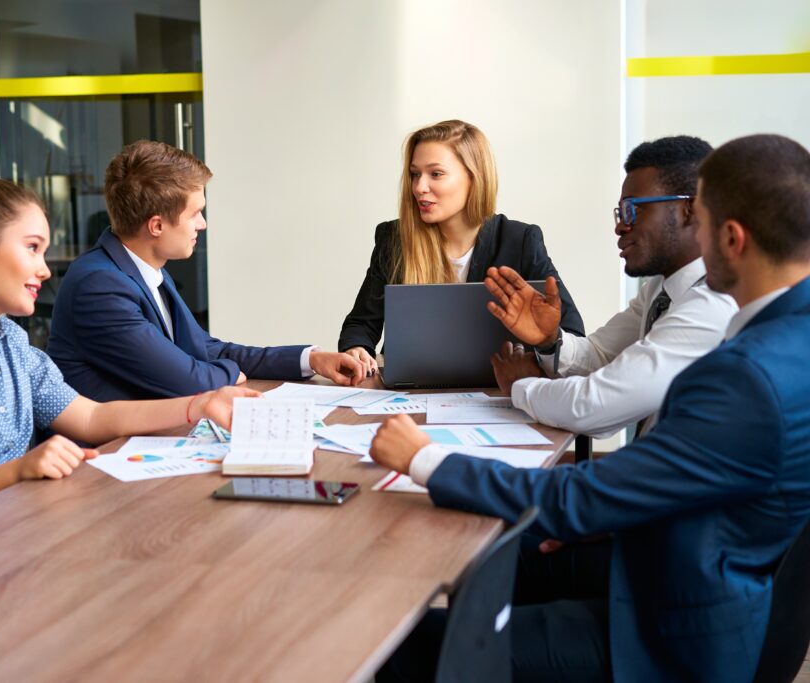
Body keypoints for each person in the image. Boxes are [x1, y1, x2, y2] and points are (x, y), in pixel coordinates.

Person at [370, 134, 810, 682]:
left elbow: (584, 489)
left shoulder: (745, 373)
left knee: (408, 648)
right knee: (489, 564)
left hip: (668, 630)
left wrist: (423, 458)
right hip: (680, 561)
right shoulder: (787, 338)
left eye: (703, 221)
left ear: (730, 237)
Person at [0, 163, 256, 552]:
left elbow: (92, 417)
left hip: (2, 532)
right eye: (32, 248)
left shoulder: (11, 342)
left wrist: (199, 405)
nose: (45, 270)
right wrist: (18, 470)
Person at [47, 140, 366, 402]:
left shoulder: (146, 270)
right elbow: (187, 381)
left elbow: (206, 350)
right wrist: (230, 372)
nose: (203, 224)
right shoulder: (100, 285)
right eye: (195, 213)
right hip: (104, 454)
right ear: (157, 226)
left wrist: (310, 359)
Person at [484, 136, 736, 437]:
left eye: (632, 209)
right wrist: (551, 340)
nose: (620, 226)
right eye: (620, 212)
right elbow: (601, 357)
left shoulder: (713, 304)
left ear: (690, 210)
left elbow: (593, 407)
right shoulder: (660, 290)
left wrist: (521, 386)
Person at [337, 120, 584, 373]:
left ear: (474, 177)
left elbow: (573, 335)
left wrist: (541, 348)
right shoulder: (395, 239)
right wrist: (357, 348)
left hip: (499, 389)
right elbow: (361, 324)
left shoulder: (520, 241)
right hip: (412, 387)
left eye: (436, 174)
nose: (419, 187)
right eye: (415, 174)